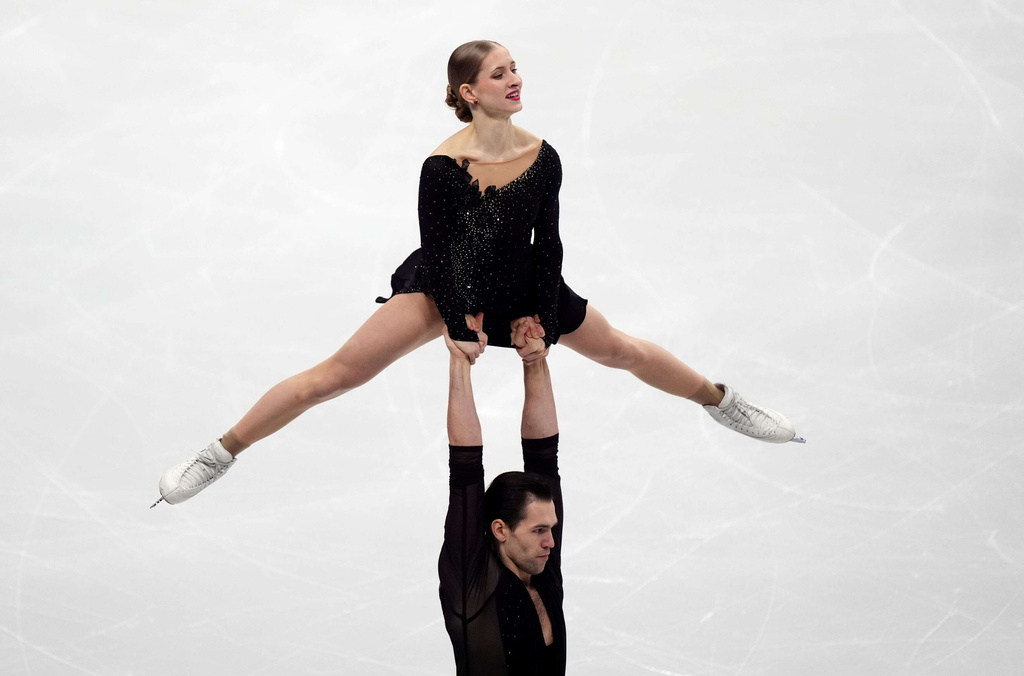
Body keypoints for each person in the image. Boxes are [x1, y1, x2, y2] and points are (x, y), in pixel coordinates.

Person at [153, 40, 801, 508]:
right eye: (500, 73)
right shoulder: (442, 167)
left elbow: (548, 242)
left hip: (522, 281)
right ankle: (221, 451)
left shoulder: (543, 157)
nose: (515, 78)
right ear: (469, 93)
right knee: (335, 376)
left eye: (516, 68)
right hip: (445, 287)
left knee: (621, 350)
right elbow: (439, 251)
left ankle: (724, 402)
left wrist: (541, 316)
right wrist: (461, 323)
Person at [441, 324, 566, 675]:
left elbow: (545, 455)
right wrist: (459, 360)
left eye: (551, 528)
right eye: (539, 530)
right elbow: (464, 466)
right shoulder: (473, 583)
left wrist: (535, 359)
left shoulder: (540, 567)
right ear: (500, 529)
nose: (551, 542)